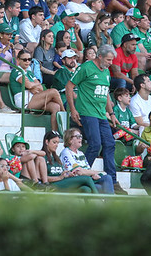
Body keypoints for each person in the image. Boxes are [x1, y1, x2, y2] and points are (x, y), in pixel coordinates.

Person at [65, 44, 125, 194]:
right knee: (95, 144)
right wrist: (73, 109)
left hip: (100, 114)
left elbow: (105, 95)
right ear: (99, 56)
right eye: (108, 59)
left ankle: (112, 180)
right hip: (87, 111)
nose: (111, 63)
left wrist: (111, 114)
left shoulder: (106, 72)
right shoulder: (86, 67)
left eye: (112, 60)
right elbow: (69, 87)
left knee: (110, 143)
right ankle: (80, 174)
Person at [59, 127, 114, 194]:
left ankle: (108, 202)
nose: (81, 138)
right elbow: (78, 172)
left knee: (102, 184)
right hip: (75, 180)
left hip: (87, 179)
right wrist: (93, 173)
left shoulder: (81, 153)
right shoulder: (66, 152)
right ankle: (111, 202)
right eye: (78, 137)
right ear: (70, 140)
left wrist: (92, 174)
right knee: (107, 178)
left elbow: (87, 169)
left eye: (81, 136)